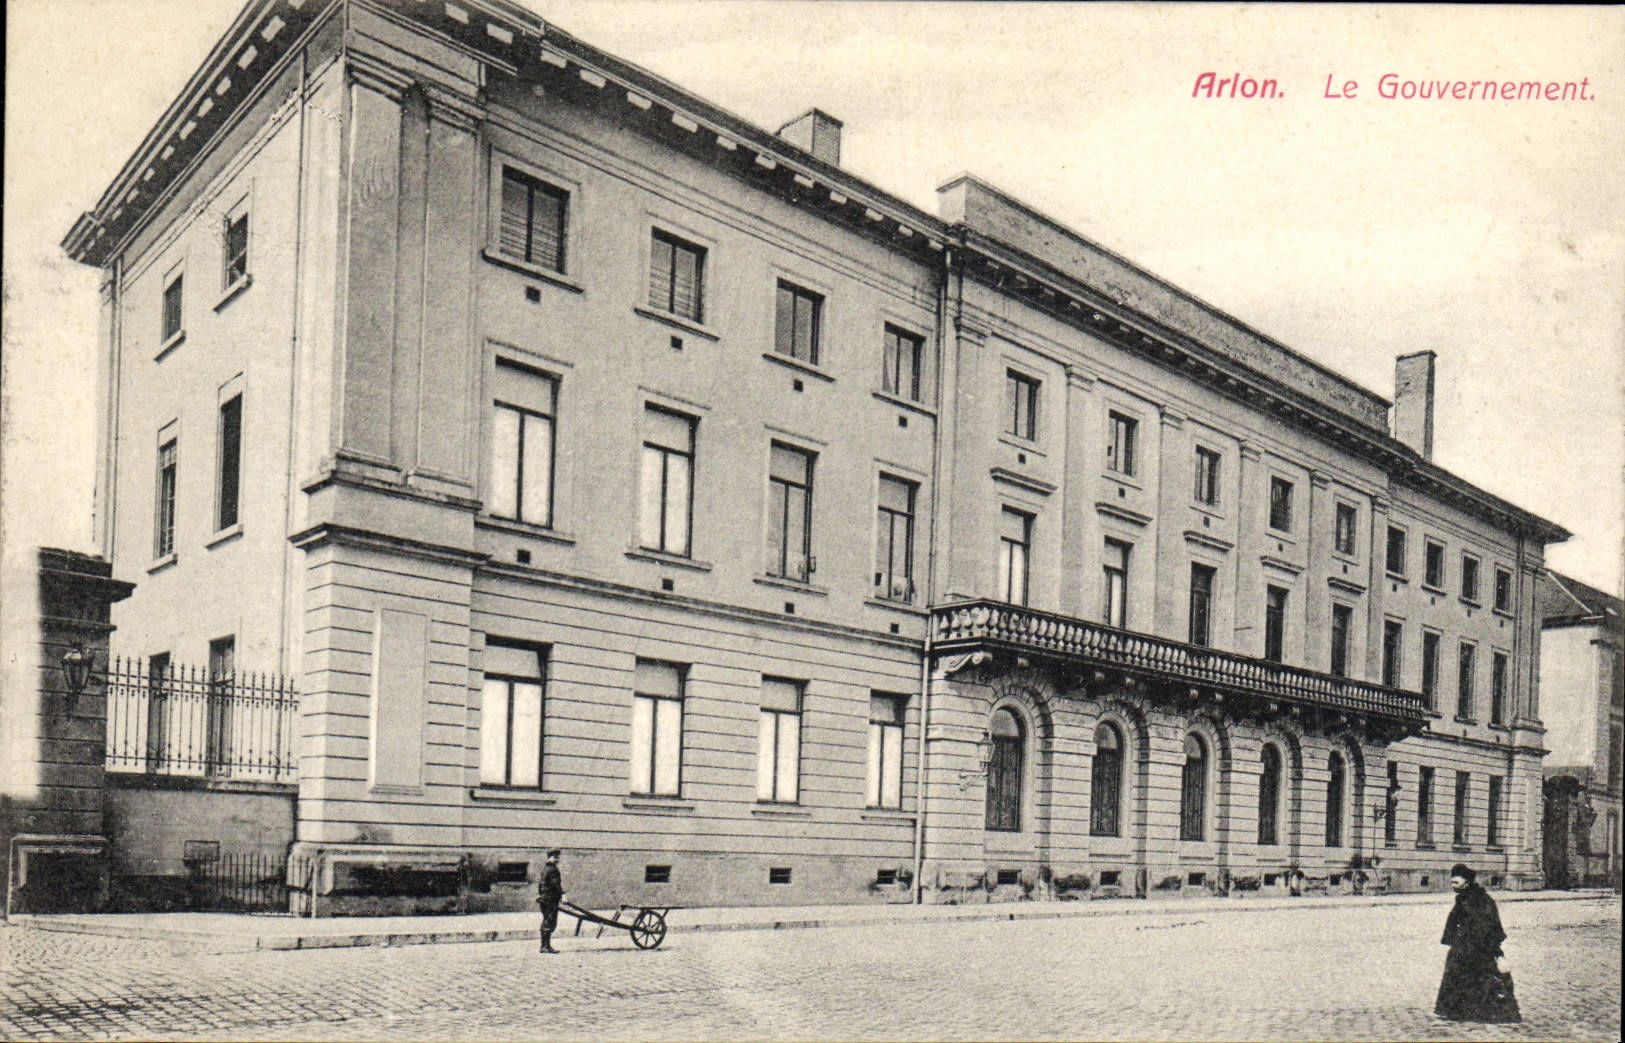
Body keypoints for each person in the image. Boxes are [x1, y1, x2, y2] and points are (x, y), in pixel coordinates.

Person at [1434, 863, 1520, 1022]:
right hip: (1462, 946)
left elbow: (1489, 924)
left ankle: (1478, 1011)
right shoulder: (1463, 898)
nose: (1454, 886)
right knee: (1458, 975)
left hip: (1479, 947)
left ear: (1466, 882)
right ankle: (1457, 1011)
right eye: (1452, 883)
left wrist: (1494, 950)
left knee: (1479, 978)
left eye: (1456, 883)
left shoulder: (1481, 900)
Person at [537, 849, 564, 954]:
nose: (557, 859)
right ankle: (546, 947)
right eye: (556, 857)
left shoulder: (545, 869)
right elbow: (556, 884)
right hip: (551, 899)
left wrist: (539, 894)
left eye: (558, 857)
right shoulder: (553, 869)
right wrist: (563, 895)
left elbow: (541, 884)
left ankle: (544, 945)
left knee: (546, 921)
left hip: (544, 899)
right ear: (551, 857)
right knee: (550, 921)